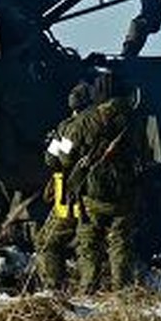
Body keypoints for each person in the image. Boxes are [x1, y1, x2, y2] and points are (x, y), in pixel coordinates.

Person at [71, 71, 146, 291]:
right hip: (124, 189)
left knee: (88, 240)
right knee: (120, 240)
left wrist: (55, 146)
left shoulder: (86, 120)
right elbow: (142, 150)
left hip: (93, 191)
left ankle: (88, 287)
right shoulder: (133, 118)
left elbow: (64, 154)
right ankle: (120, 287)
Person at [35, 79, 93, 290]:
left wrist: (53, 143)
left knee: (46, 243)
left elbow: (55, 159)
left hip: (70, 195)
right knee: (89, 244)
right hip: (99, 195)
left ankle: (53, 287)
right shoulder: (105, 124)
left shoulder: (69, 128)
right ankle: (91, 287)